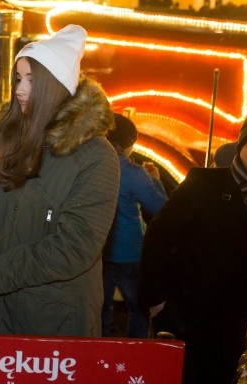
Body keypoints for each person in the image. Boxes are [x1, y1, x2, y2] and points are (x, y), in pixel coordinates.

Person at [0, 24, 120, 336]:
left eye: (31, 79)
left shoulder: (96, 156)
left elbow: (74, 248)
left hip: (53, 329)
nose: (20, 89)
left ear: (56, 85)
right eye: (18, 78)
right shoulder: (11, 142)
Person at [140, 113, 247, 384]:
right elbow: (158, 238)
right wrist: (156, 302)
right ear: (240, 147)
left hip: (232, 324)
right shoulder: (204, 183)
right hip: (182, 316)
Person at [101, 113, 167, 338]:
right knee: (138, 309)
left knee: (99, 309)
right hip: (129, 253)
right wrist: (155, 179)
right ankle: (134, 352)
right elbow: (159, 207)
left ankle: (98, 350)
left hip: (97, 253)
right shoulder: (132, 172)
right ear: (129, 143)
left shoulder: (91, 165)